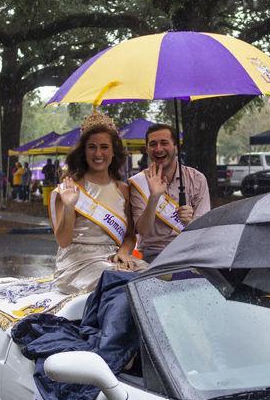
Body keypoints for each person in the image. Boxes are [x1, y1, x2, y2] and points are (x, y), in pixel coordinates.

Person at [51, 112, 146, 293]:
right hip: (78, 263)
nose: (98, 153)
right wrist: (70, 207)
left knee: (153, 277)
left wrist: (124, 252)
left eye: (104, 147)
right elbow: (63, 241)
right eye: (92, 147)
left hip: (114, 258)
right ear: (83, 151)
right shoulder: (69, 188)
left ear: (113, 152)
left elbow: (130, 236)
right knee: (121, 283)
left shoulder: (123, 190)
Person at [129, 123, 210, 262]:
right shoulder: (138, 183)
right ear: (147, 149)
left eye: (164, 143)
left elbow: (204, 229)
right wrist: (154, 198)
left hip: (189, 252)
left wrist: (189, 222)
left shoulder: (197, 179)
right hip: (152, 255)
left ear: (176, 147)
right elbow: (143, 231)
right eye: (153, 144)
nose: (158, 149)